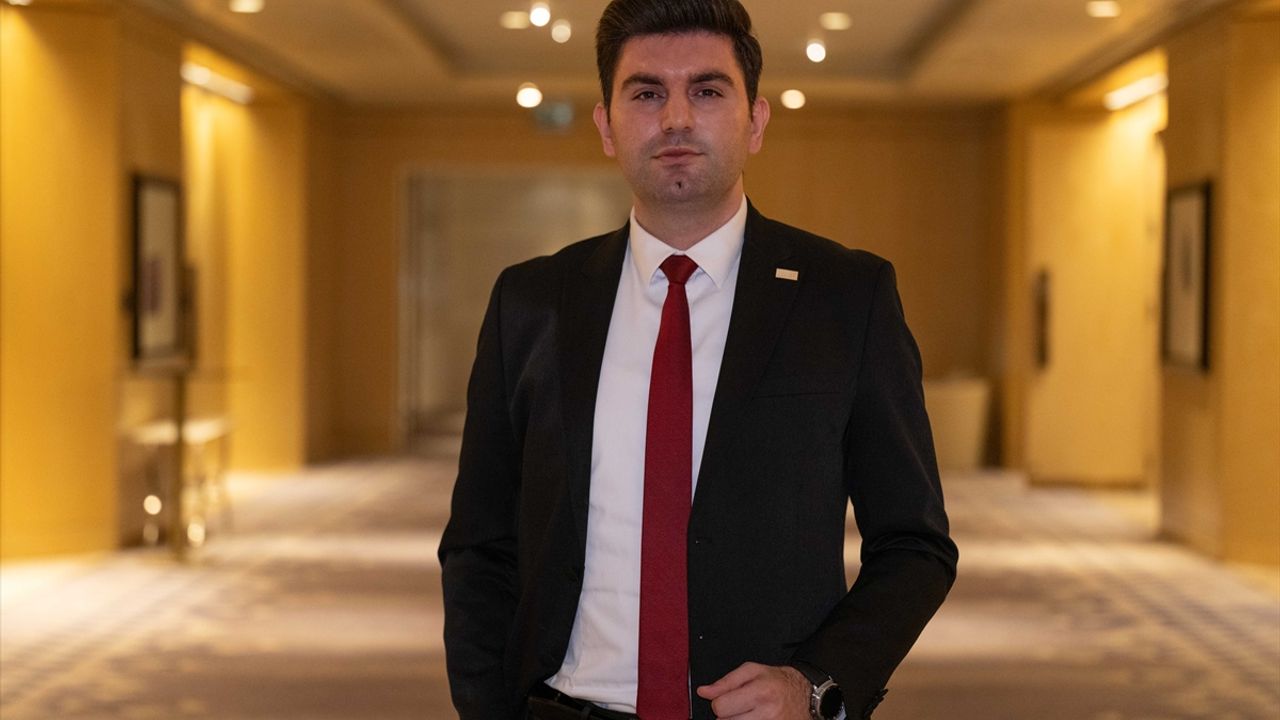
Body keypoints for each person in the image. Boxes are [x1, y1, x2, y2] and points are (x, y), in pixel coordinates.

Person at [438, 1, 958, 718]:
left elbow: (914, 544)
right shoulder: (531, 302)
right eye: (647, 93)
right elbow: (479, 544)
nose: (676, 118)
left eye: (708, 91)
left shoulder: (846, 299)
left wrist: (816, 683)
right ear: (606, 127)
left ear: (755, 122)